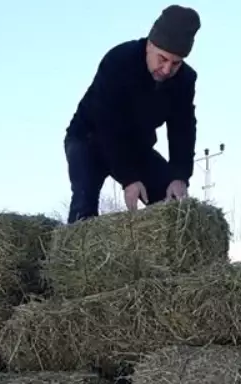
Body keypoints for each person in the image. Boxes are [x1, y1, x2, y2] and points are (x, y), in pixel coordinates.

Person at [64, 5, 201, 222]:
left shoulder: (185, 80)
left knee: (175, 206)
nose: (167, 70)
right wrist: (129, 178)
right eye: (162, 59)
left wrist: (180, 176)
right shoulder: (118, 61)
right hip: (90, 138)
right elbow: (106, 124)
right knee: (84, 209)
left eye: (176, 63)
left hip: (137, 147)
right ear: (149, 45)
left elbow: (183, 129)